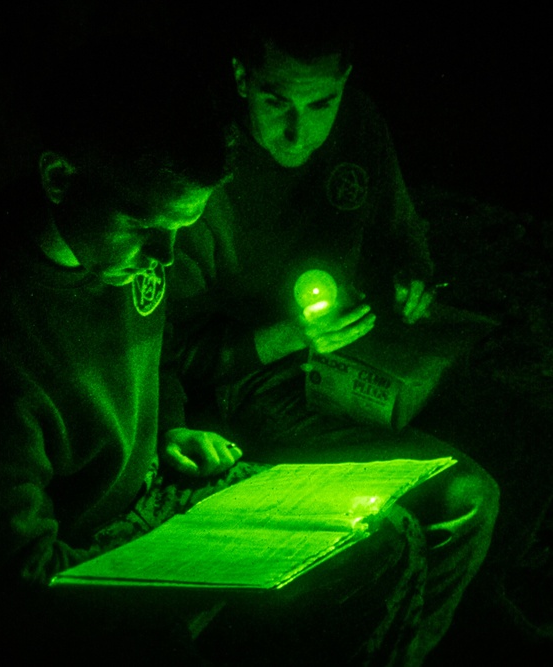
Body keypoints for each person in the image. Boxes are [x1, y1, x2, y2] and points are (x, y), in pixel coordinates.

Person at [0, 40, 428, 664]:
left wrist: (166, 428)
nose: (163, 257)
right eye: (144, 226)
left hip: (149, 499)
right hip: (73, 558)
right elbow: (17, 587)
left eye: (183, 228)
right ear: (59, 177)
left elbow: (148, 358)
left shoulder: (125, 252)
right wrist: (194, 574)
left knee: (383, 537)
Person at [168, 20, 501, 662]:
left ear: (345, 84)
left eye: (321, 103)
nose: (300, 132)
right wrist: (282, 338)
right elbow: (168, 353)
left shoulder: (360, 126)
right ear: (242, 79)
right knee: (466, 497)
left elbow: (401, 235)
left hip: (363, 361)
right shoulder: (205, 165)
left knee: (523, 436)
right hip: (256, 390)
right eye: (276, 102)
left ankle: (472, 620)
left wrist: (411, 281)